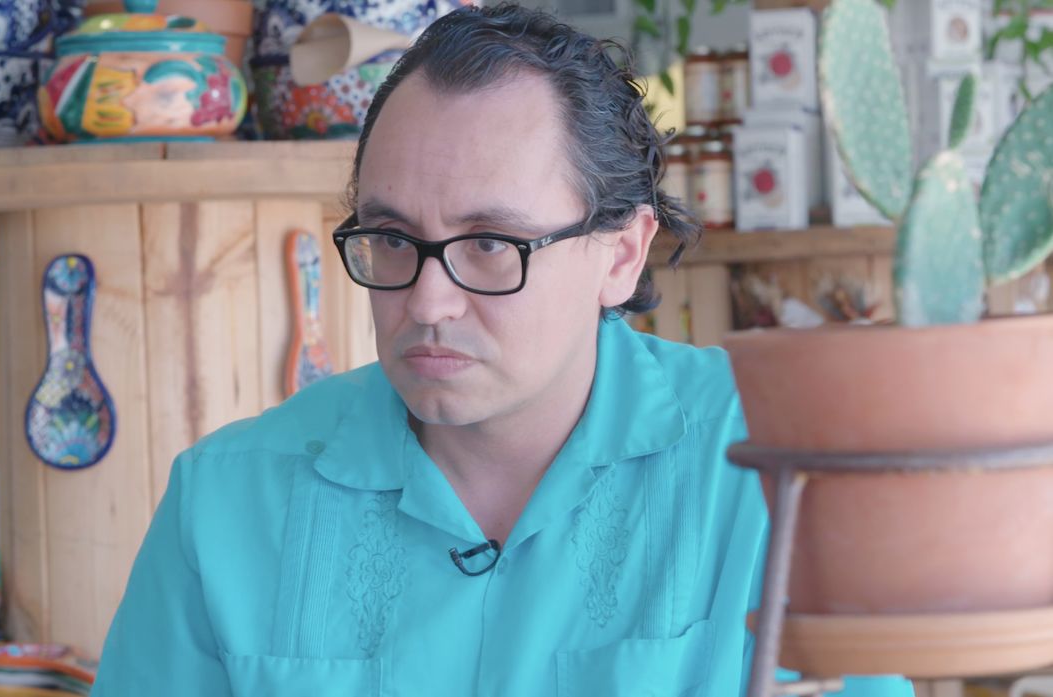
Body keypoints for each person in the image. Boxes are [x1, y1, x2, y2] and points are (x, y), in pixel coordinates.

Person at [92, 5, 912, 695]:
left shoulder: (783, 465)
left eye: (491, 243)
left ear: (623, 253)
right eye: (391, 238)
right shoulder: (224, 503)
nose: (427, 300)